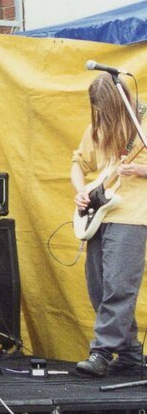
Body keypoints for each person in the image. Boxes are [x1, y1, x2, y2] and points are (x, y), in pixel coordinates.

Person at [70, 74, 147, 377]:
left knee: (119, 283)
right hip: (101, 212)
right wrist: (81, 190)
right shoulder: (97, 128)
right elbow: (78, 163)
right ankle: (128, 354)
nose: (102, 116)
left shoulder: (142, 126)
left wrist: (142, 169)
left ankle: (101, 352)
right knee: (98, 285)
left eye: (107, 110)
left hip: (132, 214)